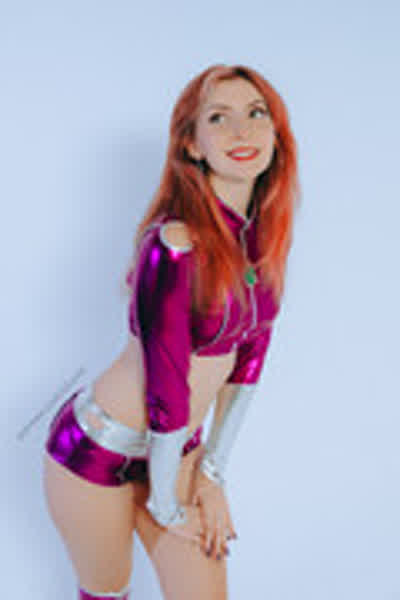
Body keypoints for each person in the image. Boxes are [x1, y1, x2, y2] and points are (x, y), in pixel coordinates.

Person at [41, 63, 300, 599]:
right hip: (97, 451)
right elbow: (167, 379)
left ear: (277, 135)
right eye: (218, 117)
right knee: (107, 593)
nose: (242, 130)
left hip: (178, 452)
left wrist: (211, 475)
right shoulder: (175, 244)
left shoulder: (264, 245)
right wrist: (165, 503)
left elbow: (250, 362)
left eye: (256, 114)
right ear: (192, 144)